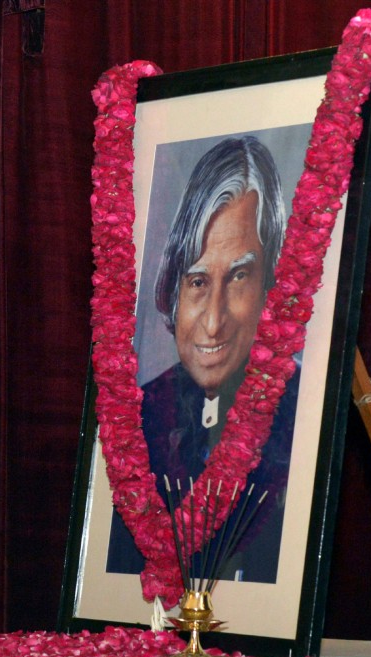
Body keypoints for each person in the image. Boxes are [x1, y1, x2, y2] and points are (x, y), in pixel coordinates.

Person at [107, 135, 299, 584]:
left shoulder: (305, 416)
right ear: (173, 289)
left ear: (271, 283)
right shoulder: (135, 416)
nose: (213, 322)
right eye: (196, 281)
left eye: (238, 277)